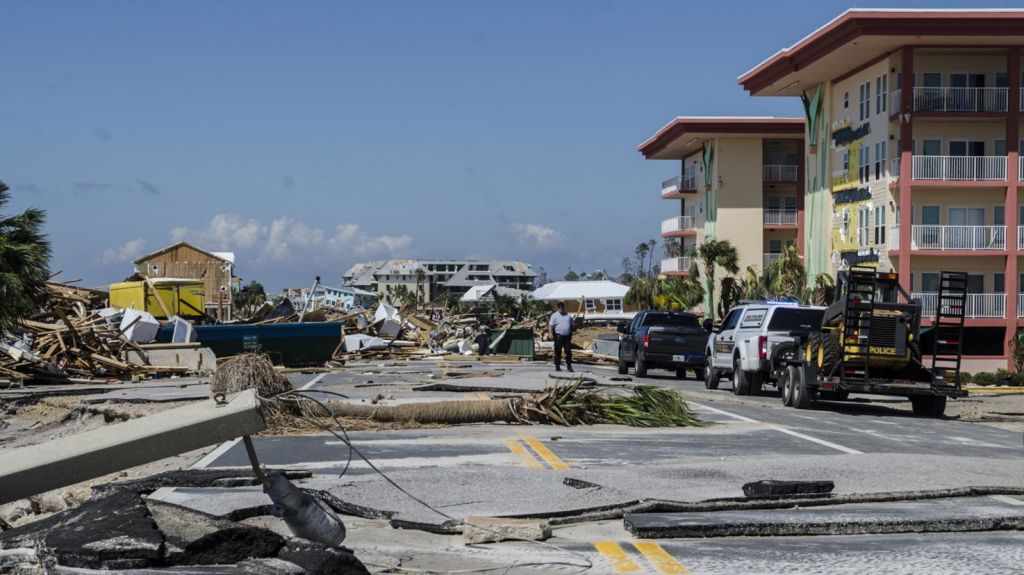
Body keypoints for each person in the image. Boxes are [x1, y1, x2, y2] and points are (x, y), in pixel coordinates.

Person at [548, 301, 574, 372]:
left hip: (567, 336)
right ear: (558, 308)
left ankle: (569, 365)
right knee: (558, 351)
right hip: (558, 336)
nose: (561, 308)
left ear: (564, 307)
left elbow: (572, 324)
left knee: (568, 351)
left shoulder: (568, 315)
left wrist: (571, 332)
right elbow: (550, 325)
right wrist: (550, 333)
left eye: (562, 307)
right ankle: (557, 366)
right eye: (559, 307)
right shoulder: (554, 315)